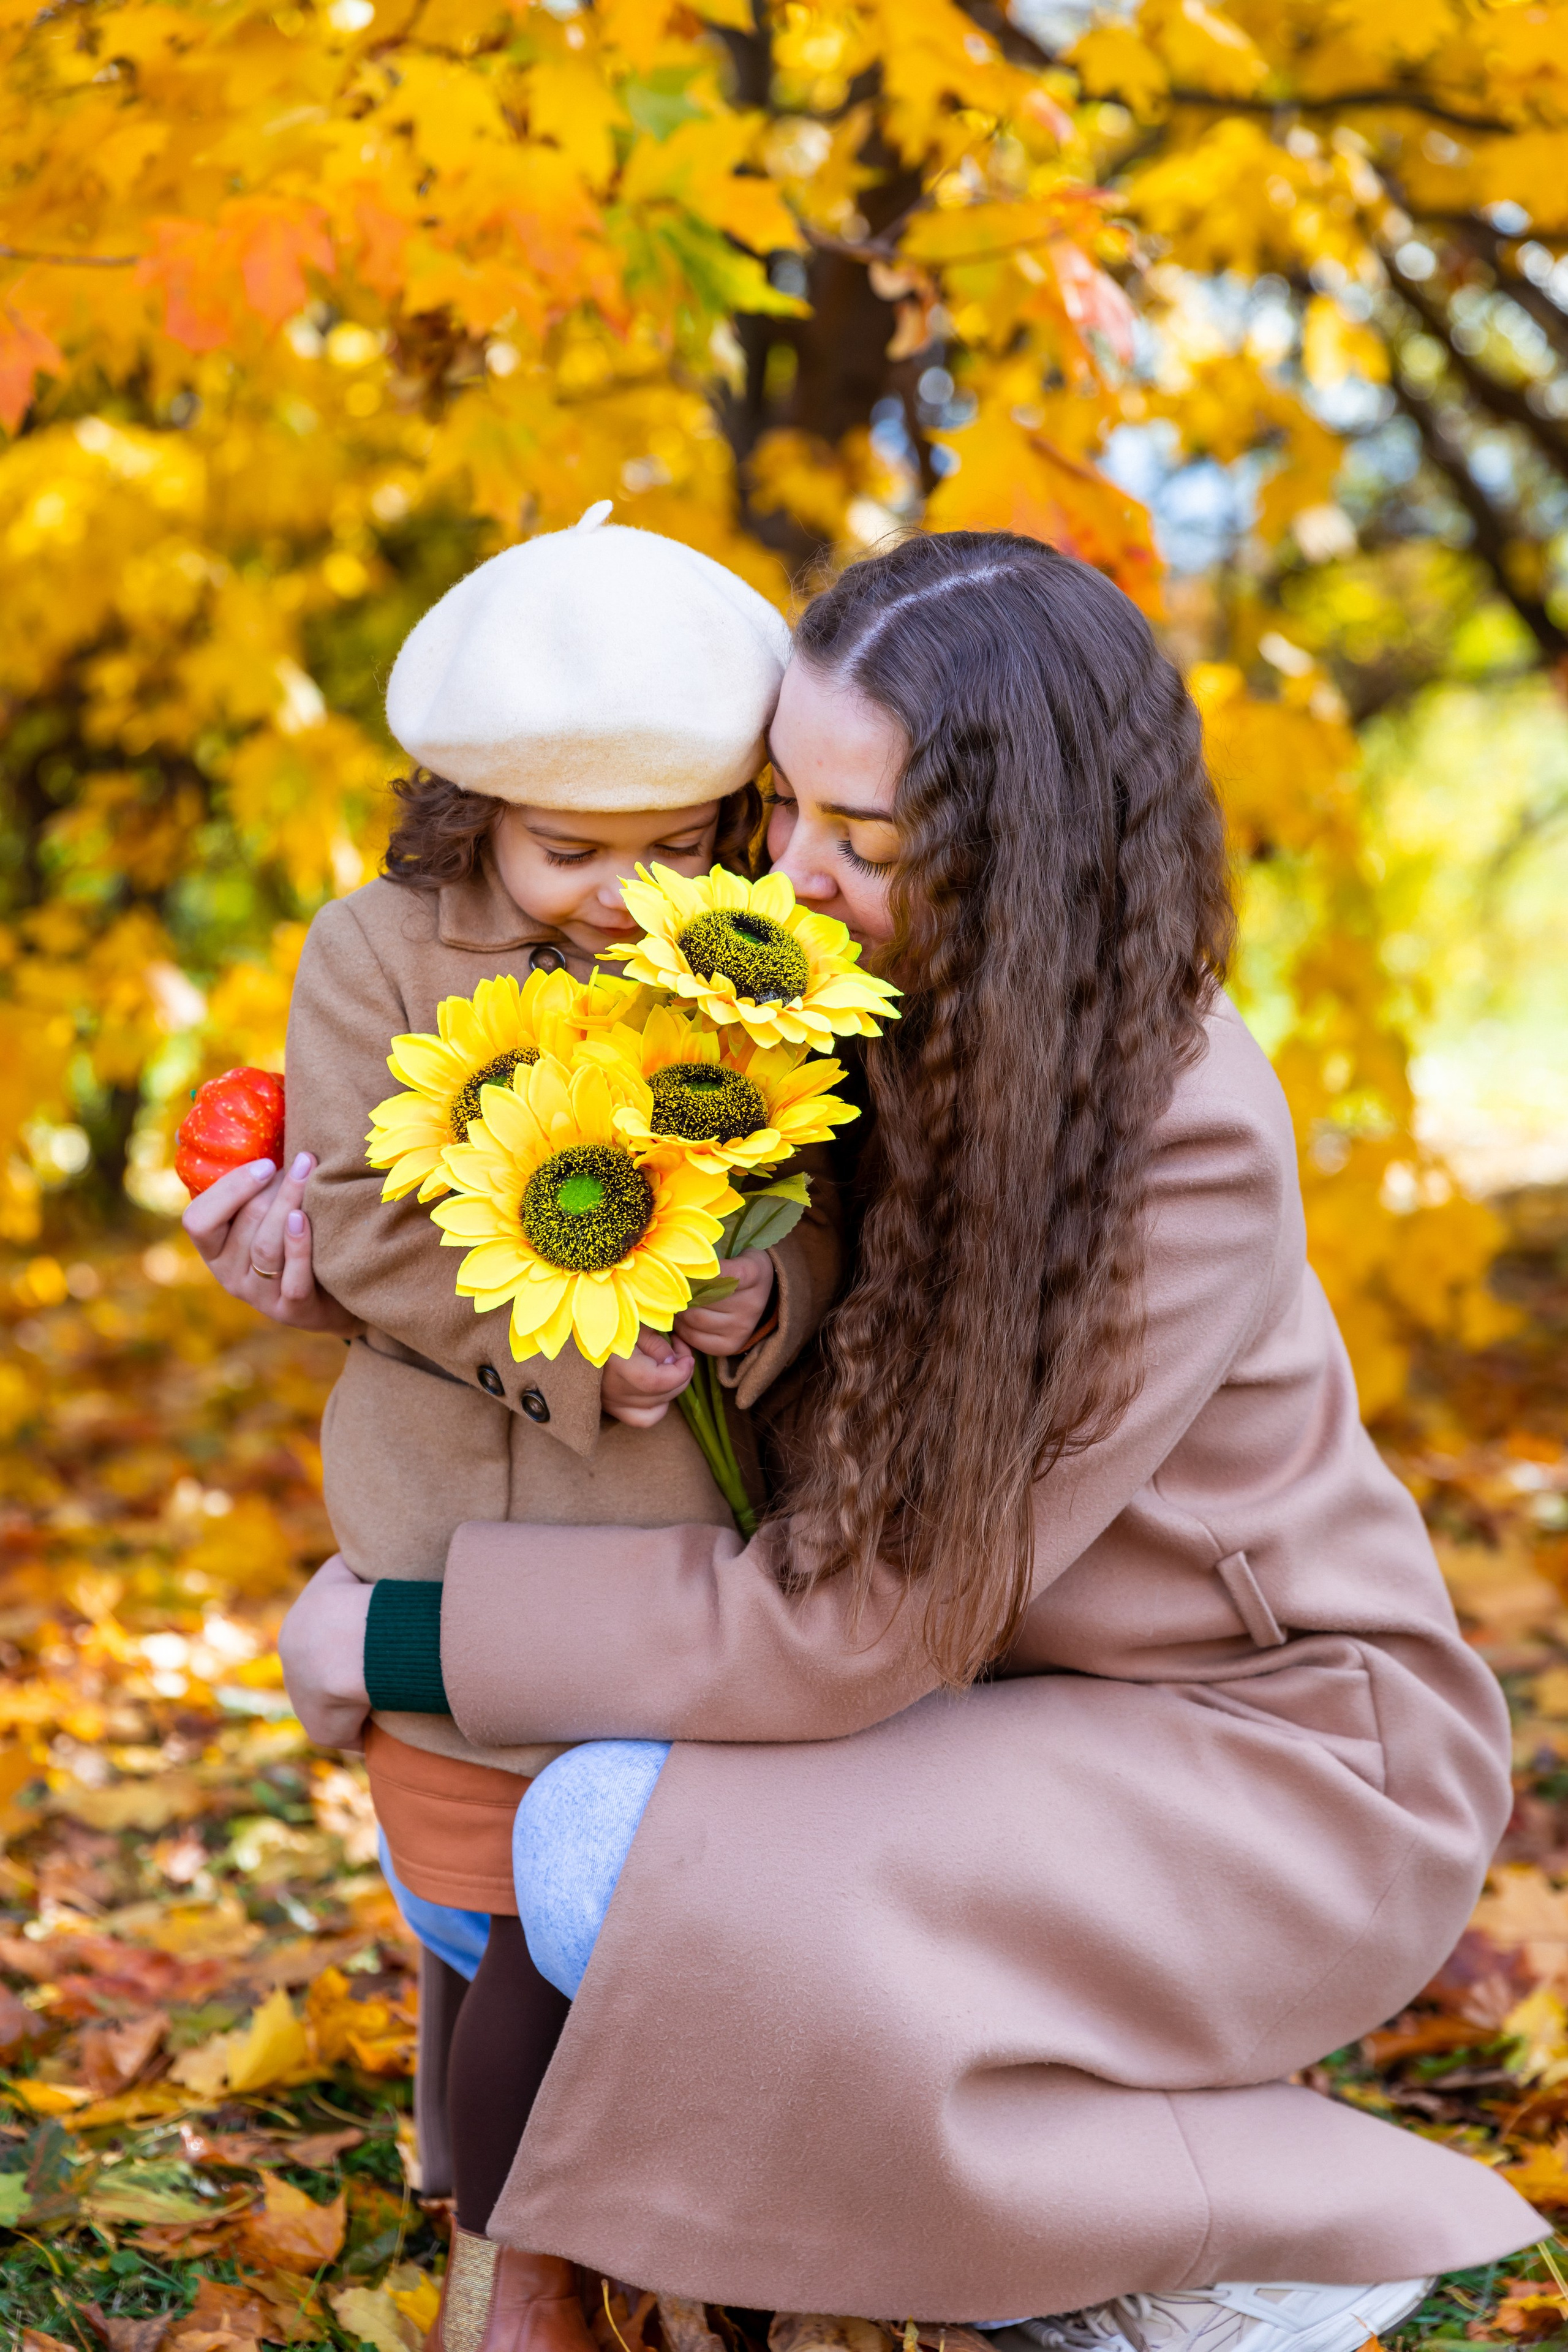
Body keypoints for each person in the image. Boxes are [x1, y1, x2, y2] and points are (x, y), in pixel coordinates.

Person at [201, 532, 1544, 2352]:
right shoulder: (826, 1004)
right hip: (981, 1713)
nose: (795, 882)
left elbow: (866, 1616)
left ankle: (1243, 2228)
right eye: (785, 814)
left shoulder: (1173, 1138)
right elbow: (609, 1275)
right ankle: (764, 2212)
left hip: (1260, 1766)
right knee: (539, 1828)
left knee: (602, 1844)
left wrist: (396, 1631)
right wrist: (346, 1280)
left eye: (873, 845)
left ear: (1026, 862)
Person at [206, 505, 846, 2341]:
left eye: (677, 846)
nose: (615, 893)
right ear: (465, 803)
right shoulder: (378, 951)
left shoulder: (748, 960)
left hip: (681, 1548)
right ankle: (520, 2259)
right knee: (487, 1899)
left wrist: (762, 1299)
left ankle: (676, 2233)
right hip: (453, 1526)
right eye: (570, 848)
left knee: (644, 1900)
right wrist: (582, 1347)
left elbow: (836, 1201)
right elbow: (363, 1228)